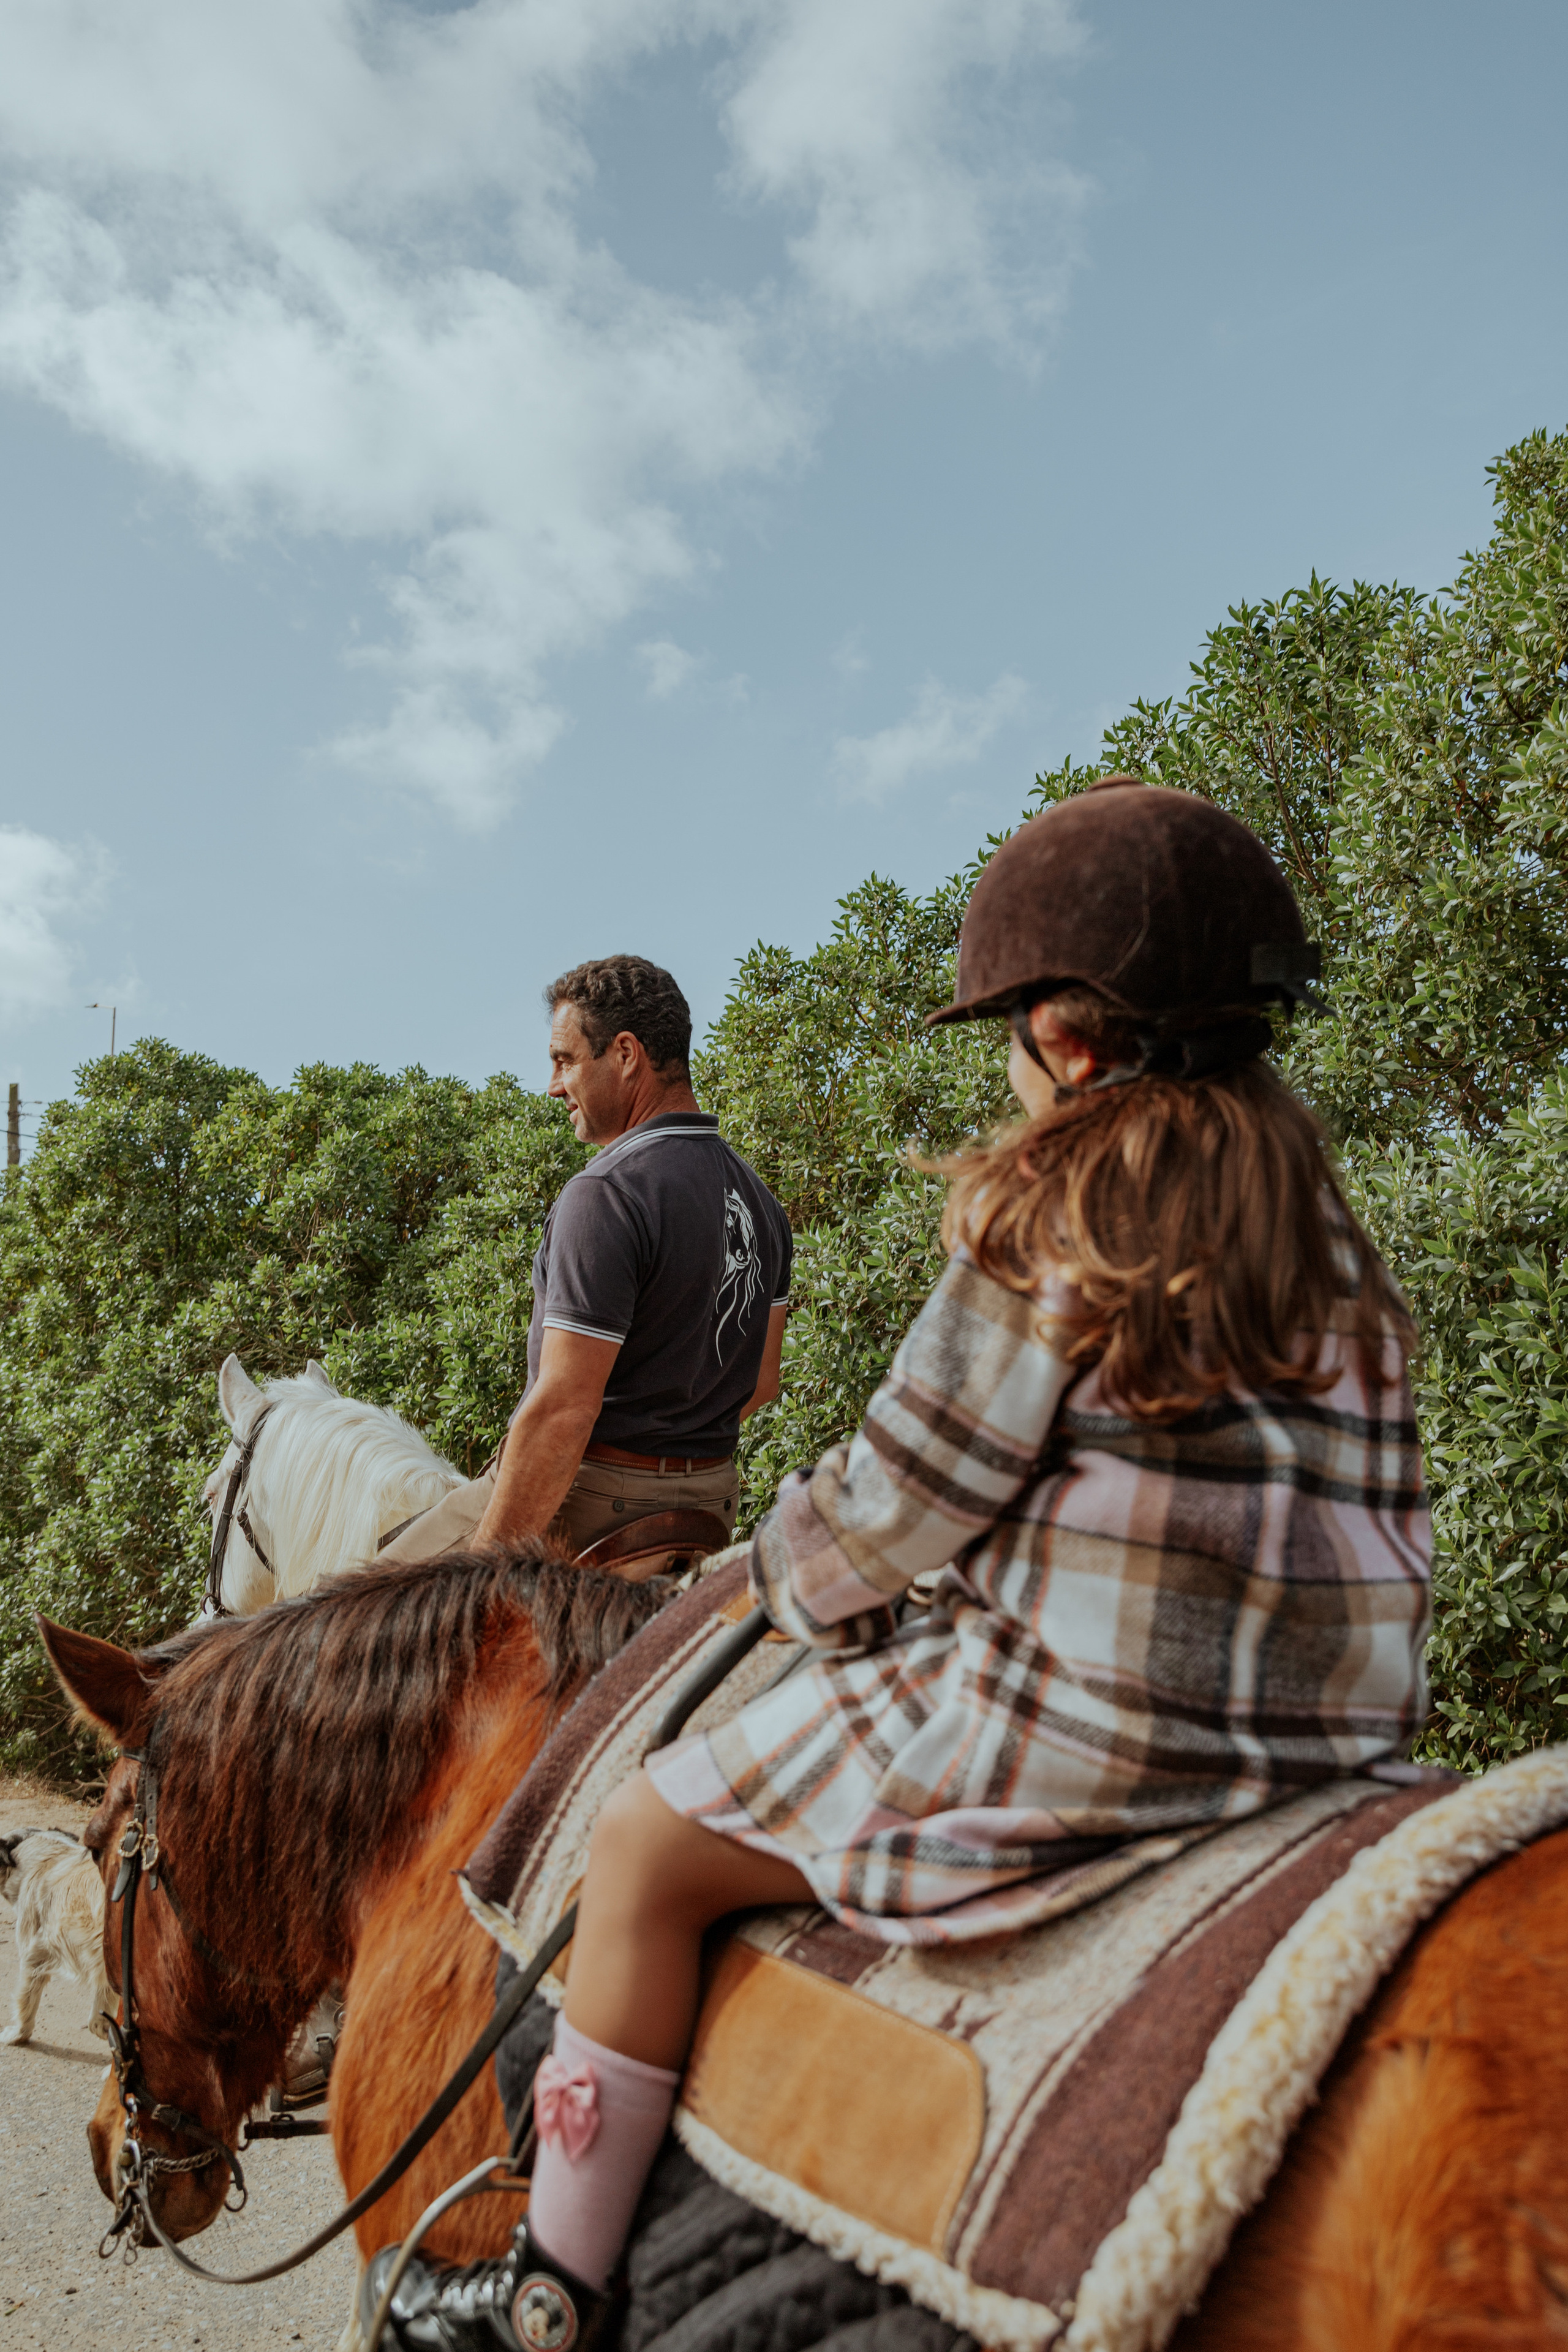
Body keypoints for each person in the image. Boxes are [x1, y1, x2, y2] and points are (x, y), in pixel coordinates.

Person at [364, 781, 1432, 2351]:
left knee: (649, 1843)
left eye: (1004, 1031)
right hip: (1336, 1734)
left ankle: (553, 2289)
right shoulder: (1333, 1239)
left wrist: (783, 1578)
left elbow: (896, 1501)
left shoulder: (1051, 1199)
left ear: (1062, 1039)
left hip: (1088, 1726)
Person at [377, 956, 793, 1566]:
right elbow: (760, 1383)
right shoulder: (760, 1203)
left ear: (625, 1055)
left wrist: (480, 1578)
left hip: (593, 1502)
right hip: (709, 1506)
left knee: (346, 1622)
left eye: (564, 1060)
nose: (552, 1085)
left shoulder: (606, 1193)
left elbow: (565, 1411)